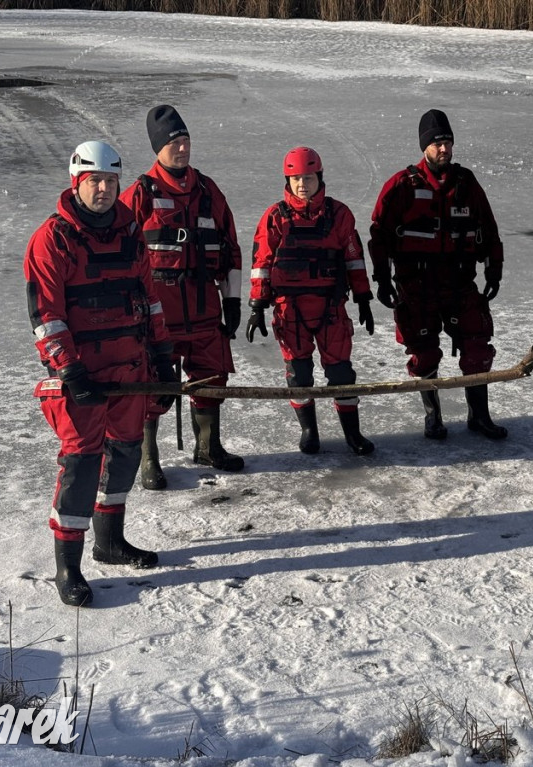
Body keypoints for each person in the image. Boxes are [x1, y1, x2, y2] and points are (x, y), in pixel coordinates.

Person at [25, 140, 177, 607]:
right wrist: (68, 368)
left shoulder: (130, 231)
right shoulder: (53, 238)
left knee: (126, 453)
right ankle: (67, 567)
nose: (105, 191)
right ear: (77, 182)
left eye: (111, 182)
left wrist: (164, 355)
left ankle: (110, 542)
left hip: (131, 368)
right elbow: (46, 313)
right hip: (82, 378)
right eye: (95, 182)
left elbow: (149, 296)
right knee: (81, 463)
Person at [120, 105, 245, 490]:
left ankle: (208, 447)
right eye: (174, 142)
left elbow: (231, 249)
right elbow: (119, 256)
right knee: (153, 386)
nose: (182, 147)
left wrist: (233, 300)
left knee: (211, 378)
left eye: (186, 140)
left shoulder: (209, 192)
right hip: (158, 315)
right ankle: (149, 459)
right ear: (158, 148)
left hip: (205, 310)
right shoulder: (140, 194)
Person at [369, 108, 507, 441]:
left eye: (447, 141)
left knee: (477, 347)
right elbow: (380, 235)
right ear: (424, 147)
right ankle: (433, 417)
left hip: (460, 283)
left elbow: (488, 229)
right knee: (424, 351)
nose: (443, 149)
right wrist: (382, 278)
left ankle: (479, 415)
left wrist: (494, 267)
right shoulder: (401, 185)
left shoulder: (466, 182)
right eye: (436, 143)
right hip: (417, 285)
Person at [246, 147, 376, 456]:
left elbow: (354, 259)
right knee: (299, 374)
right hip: (290, 310)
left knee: (341, 374)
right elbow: (261, 262)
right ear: (287, 180)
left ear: (319, 177)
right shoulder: (275, 217)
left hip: (330, 307)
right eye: (295, 178)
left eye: (308, 177)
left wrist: (364, 298)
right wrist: (257, 306)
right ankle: (309, 431)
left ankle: (353, 434)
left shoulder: (339, 214)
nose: (302, 184)